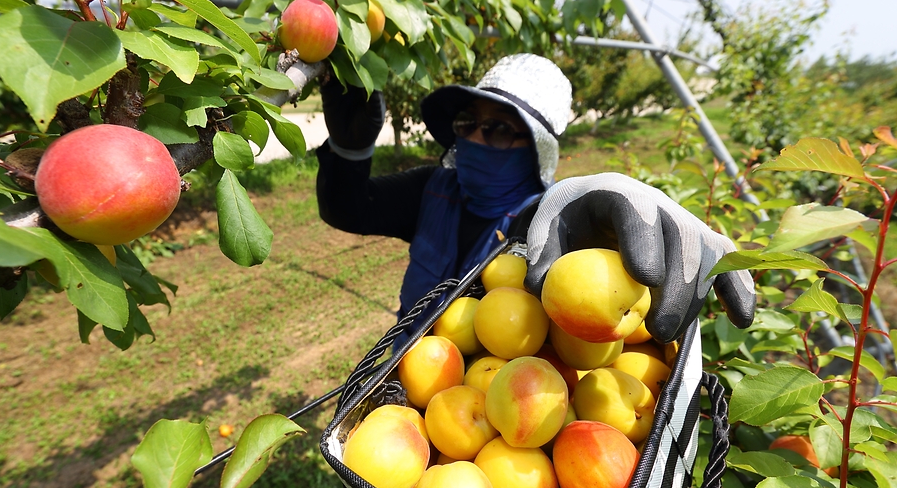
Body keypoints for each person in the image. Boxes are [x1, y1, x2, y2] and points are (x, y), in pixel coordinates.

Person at [315, 53, 756, 345]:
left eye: (500, 128)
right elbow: (349, 209)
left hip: (484, 397)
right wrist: (349, 151)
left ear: (534, 147)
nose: (474, 136)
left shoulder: (554, 229)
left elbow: (583, 278)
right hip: (400, 368)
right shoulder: (433, 187)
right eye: (468, 121)